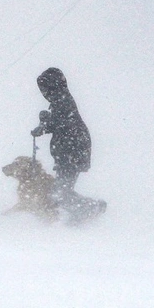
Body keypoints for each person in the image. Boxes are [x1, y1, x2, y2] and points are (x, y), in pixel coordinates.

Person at [31, 67, 106, 223]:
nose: (44, 93)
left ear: (53, 86)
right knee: (61, 191)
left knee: (60, 192)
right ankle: (81, 214)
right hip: (69, 151)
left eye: (45, 89)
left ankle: (91, 208)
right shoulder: (61, 101)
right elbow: (60, 123)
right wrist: (45, 123)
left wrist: (45, 124)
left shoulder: (62, 101)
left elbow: (62, 123)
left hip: (71, 152)